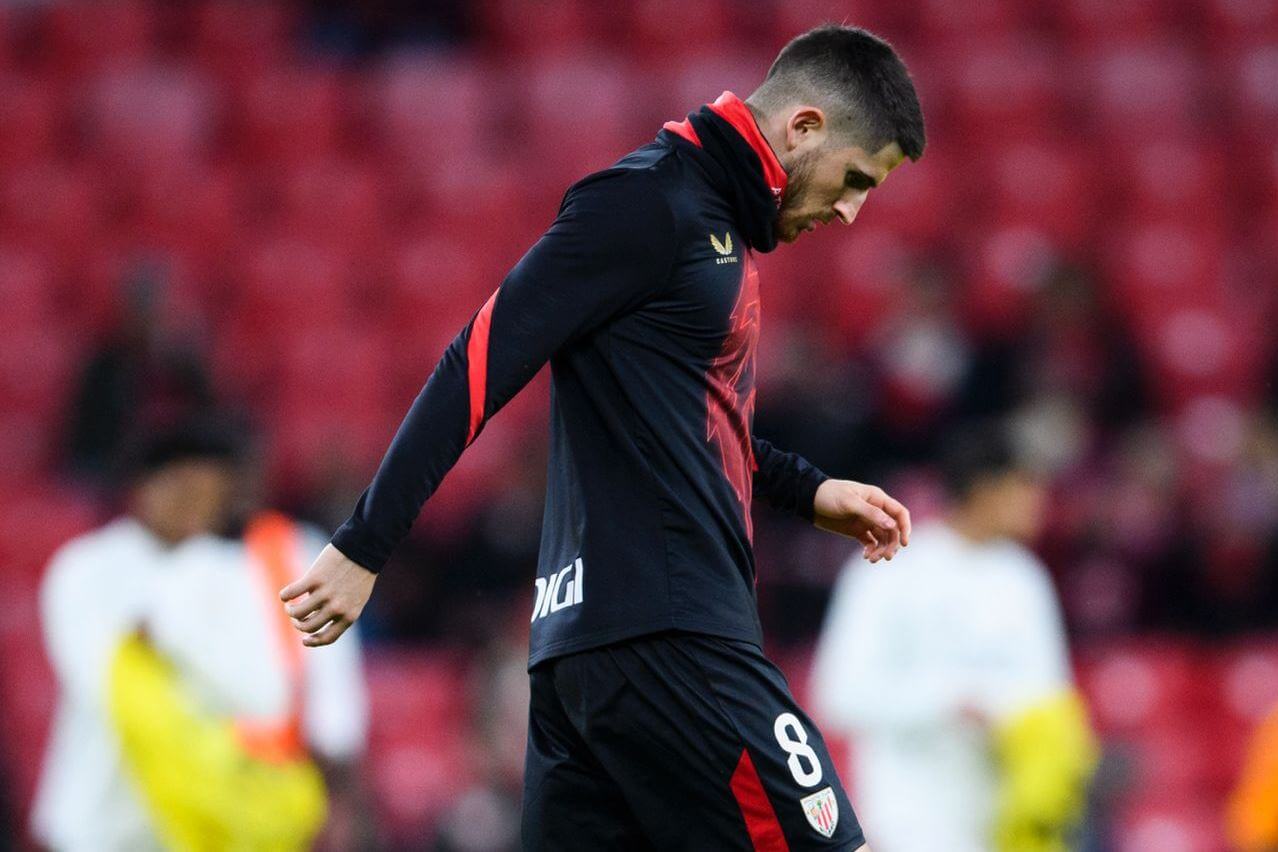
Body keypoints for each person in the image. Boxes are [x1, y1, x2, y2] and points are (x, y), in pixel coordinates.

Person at [283, 25, 925, 850]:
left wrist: (807, 489)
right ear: (803, 128)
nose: (850, 211)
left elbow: (682, 426)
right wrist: (365, 544)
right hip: (675, 642)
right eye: (855, 179)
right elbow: (479, 359)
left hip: (586, 660)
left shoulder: (703, 221)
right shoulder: (649, 202)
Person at [810, 424, 1097, 852]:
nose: (1039, 504)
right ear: (985, 489)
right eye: (1026, 487)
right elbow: (838, 694)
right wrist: (950, 700)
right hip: (910, 822)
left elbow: (1051, 696)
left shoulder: (1024, 578)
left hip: (1003, 823)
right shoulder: (890, 567)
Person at [32, 424, 240, 851]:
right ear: (142, 488)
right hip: (99, 814)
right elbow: (97, 680)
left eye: (210, 490)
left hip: (201, 821)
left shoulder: (236, 573)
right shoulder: (85, 567)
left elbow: (256, 690)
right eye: (182, 487)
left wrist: (159, 643)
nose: (196, 503)